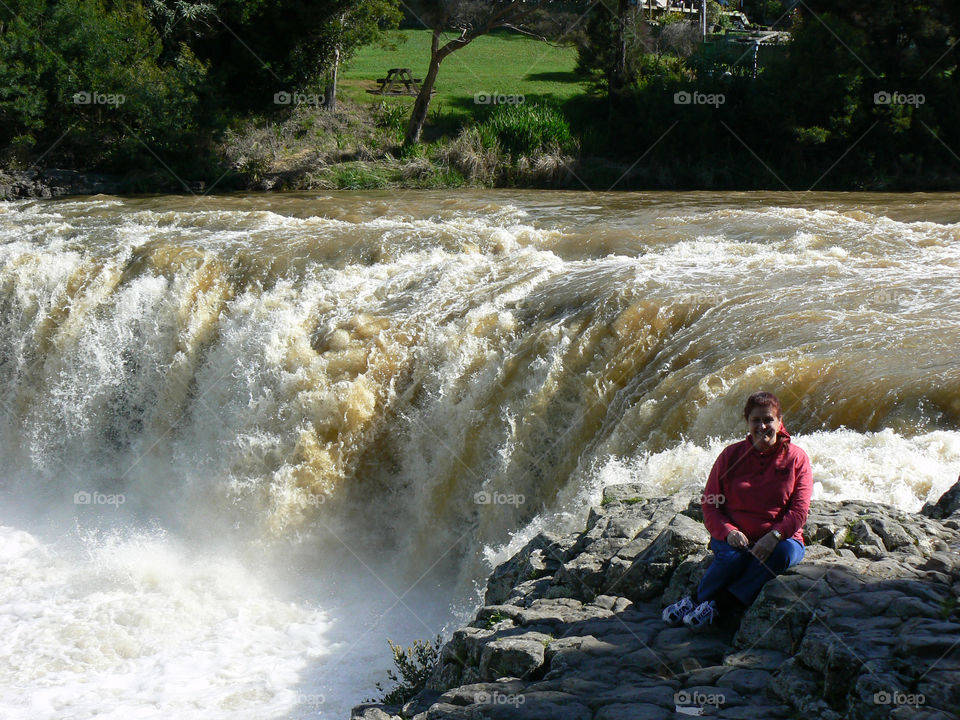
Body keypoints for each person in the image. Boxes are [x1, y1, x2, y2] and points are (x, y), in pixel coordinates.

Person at [663, 391, 812, 629]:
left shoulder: (797, 458)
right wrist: (728, 531)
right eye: (756, 420)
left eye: (768, 419)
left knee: (781, 554)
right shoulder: (730, 456)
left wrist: (774, 536)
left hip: (782, 538)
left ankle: (713, 604)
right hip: (735, 536)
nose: (762, 426)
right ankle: (699, 603)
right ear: (747, 422)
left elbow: (799, 510)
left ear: (779, 420)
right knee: (734, 559)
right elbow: (710, 503)